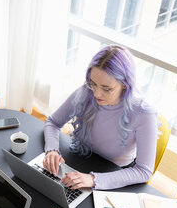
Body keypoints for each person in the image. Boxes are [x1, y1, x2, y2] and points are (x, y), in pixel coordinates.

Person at [43, 45, 158, 190]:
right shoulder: (86, 91)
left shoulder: (143, 114)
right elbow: (53, 122)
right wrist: (52, 150)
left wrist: (93, 179)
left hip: (114, 174)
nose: (96, 93)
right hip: (80, 160)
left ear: (125, 84)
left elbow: (144, 171)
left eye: (106, 88)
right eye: (93, 83)